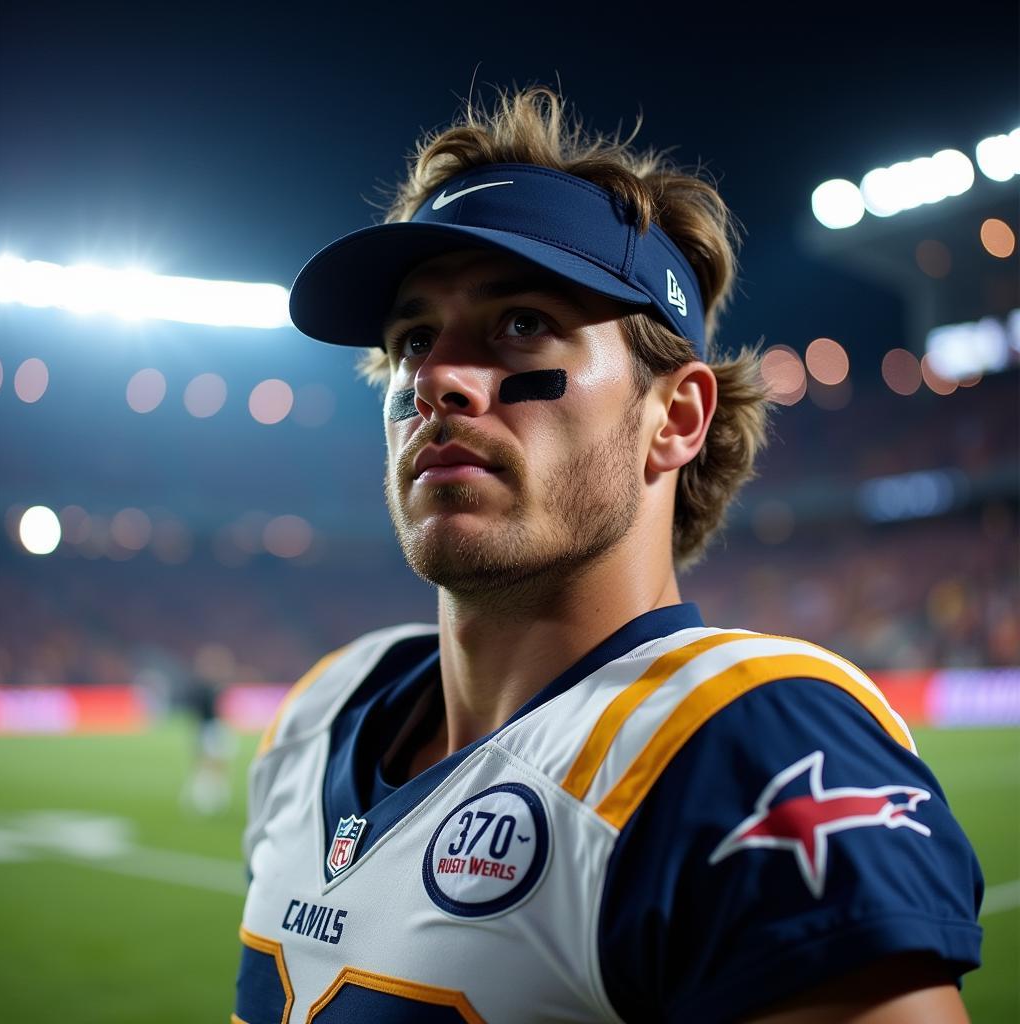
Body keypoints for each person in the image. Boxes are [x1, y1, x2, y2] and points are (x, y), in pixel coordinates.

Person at [234, 87, 982, 1023]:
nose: (434, 380)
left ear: (675, 418)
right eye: (414, 339)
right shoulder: (320, 717)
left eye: (520, 324)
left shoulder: (745, 750)